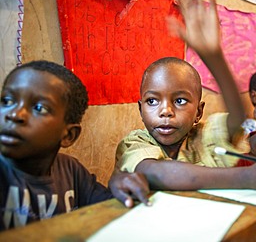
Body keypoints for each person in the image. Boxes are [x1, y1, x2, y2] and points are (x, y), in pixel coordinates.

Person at [111, 0, 256, 193]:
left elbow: (237, 118)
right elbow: (157, 173)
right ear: (140, 109)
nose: (165, 111)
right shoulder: (135, 143)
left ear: (199, 112)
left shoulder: (202, 137)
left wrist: (215, 59)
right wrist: (248, 177)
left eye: (180, 101)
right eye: (152, 101)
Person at [0, 60, 150, 231]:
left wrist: (118, 183)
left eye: (39, 108)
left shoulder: (71, 171)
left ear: (68, 135)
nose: (14, 114)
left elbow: (113, 212)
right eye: (7, 101)